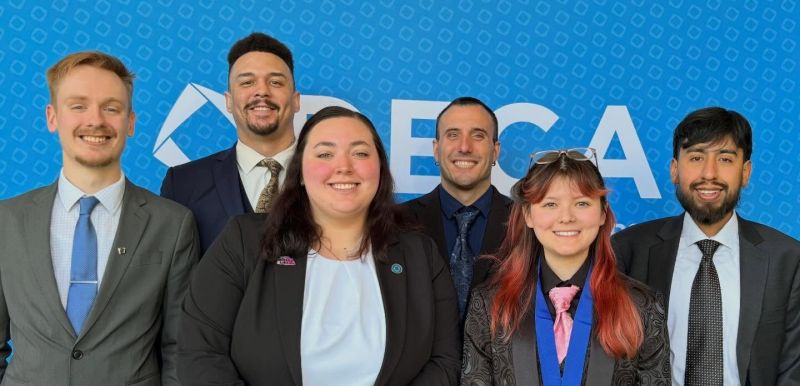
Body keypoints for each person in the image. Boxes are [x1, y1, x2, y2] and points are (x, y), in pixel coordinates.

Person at [178, 106, 461, 385]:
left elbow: (444, 361)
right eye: (325, 154)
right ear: (299, 172)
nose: (344, 167)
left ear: (380, 169)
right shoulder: (244, 240)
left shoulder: (420, 253)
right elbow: (200, 353)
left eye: (360, 153)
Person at [0, 51, 198, 385]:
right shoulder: (7, 221)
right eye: (78, 106)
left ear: (130, 123)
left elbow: (179, 350)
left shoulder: (172, 224)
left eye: (111, 107)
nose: (96, 120)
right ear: (52, 117)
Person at [612, 107, 800, 385]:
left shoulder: (787, 259)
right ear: (675, 169)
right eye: (696, 157)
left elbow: (793, 370)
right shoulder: (628, 251)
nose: (709, 173)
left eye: (725, 159)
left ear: (745, 172)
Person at [462, 148, 671, 385]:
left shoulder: (642, 306)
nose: (566, 217)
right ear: (528, 215)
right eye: (550, 204)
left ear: (603, 213)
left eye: (581, 203)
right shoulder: (490, 305)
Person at [161, 32, 300, 254]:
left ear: (295, 101)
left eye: (275, 82)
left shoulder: (332, 177)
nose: (262, 91)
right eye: (247, 82)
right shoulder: (183, 184)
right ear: (228, 101)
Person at [401, 96, 511, 324]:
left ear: (495, 150)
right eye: (453, 135)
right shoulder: (397, 222)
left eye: (478, 135)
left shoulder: (526, 223)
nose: (464, 147)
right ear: (436, 148)